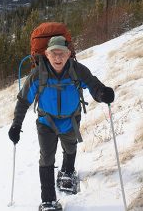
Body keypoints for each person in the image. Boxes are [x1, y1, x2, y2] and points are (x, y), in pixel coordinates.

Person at [8, 35, 115, 211]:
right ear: (46, 55)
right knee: (47, 157)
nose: (58, 58)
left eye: (62, 54)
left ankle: (67, 171)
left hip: (71, 120)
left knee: (70, 148)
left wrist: (102, 93)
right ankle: (48, 200)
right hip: (46, 123)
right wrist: (16, 125)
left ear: (68, 54)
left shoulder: (77, 70)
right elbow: (23, 101)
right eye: (53, 53)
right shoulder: (38, 74)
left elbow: (92, 83)